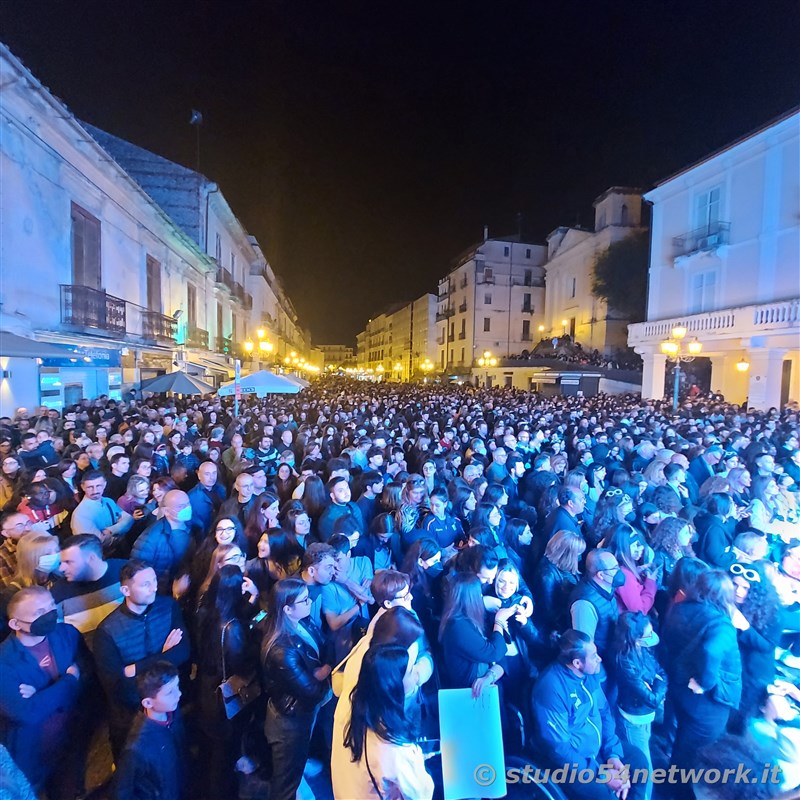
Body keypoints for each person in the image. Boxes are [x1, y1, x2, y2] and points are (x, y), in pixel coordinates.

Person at [531, 629, 647, 800]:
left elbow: (604, 712)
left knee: (639, 762)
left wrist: (612, 754)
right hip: (572, 764)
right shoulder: (551, 688)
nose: (599, 658)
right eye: (593, 656)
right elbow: (559, 749)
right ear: (577, 663)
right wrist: (601, 774)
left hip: (598, 749)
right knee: (605, 796)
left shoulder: (588, 675)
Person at [94, 560, 191, 760]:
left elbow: (183, 652)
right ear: (125, 590)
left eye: (154, 581)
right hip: (131, 719)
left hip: (169, 707)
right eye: (145, 584)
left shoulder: (168, 607)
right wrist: (165, 655)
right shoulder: (107, 631)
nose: (154, 587)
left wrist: (137, 667)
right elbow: (115, 685)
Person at [0, 586, 88, 798]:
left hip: (70, 739)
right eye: (39, 612)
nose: (49, 613)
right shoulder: (4, 662)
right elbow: (26, 713)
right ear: (15, 623)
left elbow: (87, 672)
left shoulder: (67, 633)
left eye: (50, 606)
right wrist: (67, 680)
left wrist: (40, 694)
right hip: (33, 751)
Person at [661, 569, 742, 778]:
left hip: (680, 687)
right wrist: (706, 682)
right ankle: (680, 788)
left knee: (683, 741)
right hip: (707, 702)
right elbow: (711, 650)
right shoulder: (721, 624)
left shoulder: (680, 608)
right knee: (697, 751)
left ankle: (673, 777)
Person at [261, 578, 332, 800]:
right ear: (287, 609)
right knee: (285, 783)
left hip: (302, 712)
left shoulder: (304, 621)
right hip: (289, 721)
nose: (310, 602)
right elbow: (312, 691)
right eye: (304, 600)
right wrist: (324, 672)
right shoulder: (281, 650)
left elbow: (325, 646)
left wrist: (322, 670)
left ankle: (300, 769)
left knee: (297, 760)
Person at [334, 644, 434, 800]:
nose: (416, 674)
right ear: (393, 684)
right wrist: (415, 761)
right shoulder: (394, 747)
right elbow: (422, 793)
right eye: (410, 672)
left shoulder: (352, 706)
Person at [194, 566, 260, 799]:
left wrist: (253, 598)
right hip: (225, 700)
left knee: (211, 750)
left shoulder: (204, 611)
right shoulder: (232, 628)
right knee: (224, 757)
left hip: (205, 690)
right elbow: (242, 663)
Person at [113, 661, 188, 800]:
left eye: (177, 686)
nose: (179, 694)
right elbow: (122, 792)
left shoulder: (172, 711)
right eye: (170, 692)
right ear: (147, 703)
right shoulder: (137, 749)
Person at [614, 612, 667, 800]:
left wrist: (656, 685)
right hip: (632, 720)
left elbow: (661, 672)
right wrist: (657, 685)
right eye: (647, 635)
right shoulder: (625, 662)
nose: (651, 639)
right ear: (635, 638)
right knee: (644, 770)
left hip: (645, 716)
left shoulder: (642, 650)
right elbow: (651, 698)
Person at [438, 571, 516, 691]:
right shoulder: (457, 627)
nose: (481, 598)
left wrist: (491, 676)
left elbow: (499, 654)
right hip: (470, 692)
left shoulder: (468, 618)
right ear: (471, 598)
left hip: (485, 681)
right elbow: (494, 652)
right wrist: (499, 621)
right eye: (478, 595)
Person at [51, 534, 125, 649]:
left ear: (91, 558)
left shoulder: (126, 573)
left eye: (69, 562)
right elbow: (59, 638)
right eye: (61, 563)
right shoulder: (58, 593)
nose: (61, 569)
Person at [130, 489, 194, 591]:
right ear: (166, 511)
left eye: (188, 504)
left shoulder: (193, 527)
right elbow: (138, 573)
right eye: (181, 506)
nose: (187, 508)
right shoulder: (150, 539)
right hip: (162, 591)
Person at [533, 528, 586, 641]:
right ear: (568, 554)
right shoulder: (547, 575)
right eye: (578, 553)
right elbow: (547, 609)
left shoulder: (563, 565)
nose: (580, 556)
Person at [70, 470, 134, 552]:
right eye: (90, 487)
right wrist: (121, 531)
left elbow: (128, 519)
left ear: (105, 485)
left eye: (98, 486)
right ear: (83, 487)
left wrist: (111, 530)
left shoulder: (108, 501)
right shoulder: (80, 514)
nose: (95, 491)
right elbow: (95, 543)